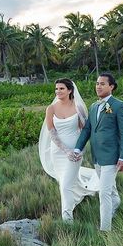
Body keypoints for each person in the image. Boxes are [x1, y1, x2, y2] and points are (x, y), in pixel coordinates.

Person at [73, 73, 123, 231]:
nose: (98, 86)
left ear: (111, 86)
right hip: (97, 156)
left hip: (112, 157)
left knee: (103, 193)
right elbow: (87, 130)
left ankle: (105, 230)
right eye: (97, 83)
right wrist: (78, 148)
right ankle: (116, 203)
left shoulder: (119, 105)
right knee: (110, 190)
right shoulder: (94, 106)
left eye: (102, 84)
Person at [39, 79, 99, 222]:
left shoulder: (78, 107)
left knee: (65, 185)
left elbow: (85, 130)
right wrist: (65, 150)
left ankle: (67, 220)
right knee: (64, 183)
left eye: (61, 88)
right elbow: (52, 132)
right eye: (56, 89)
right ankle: (79, 196)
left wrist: (79, 150)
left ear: (70, 90)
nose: (58, 91)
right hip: (58, 151)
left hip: (75, 151)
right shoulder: (51, 109)